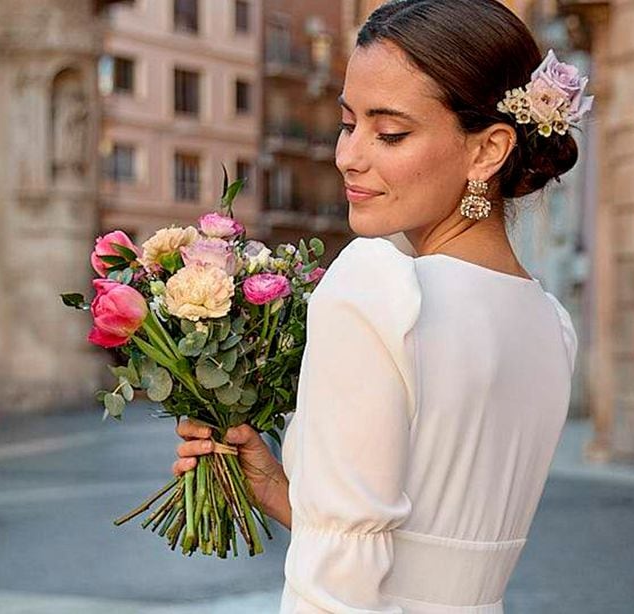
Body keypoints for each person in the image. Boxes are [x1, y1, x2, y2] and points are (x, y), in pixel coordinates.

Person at [173, 0, 588, 611]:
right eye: (348, 124)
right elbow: (425, 554)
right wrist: (280, 490)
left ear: (487, 149)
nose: (349, 156)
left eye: (390, 132)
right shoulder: (551, 325)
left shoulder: (379, 290)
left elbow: (335, 590)